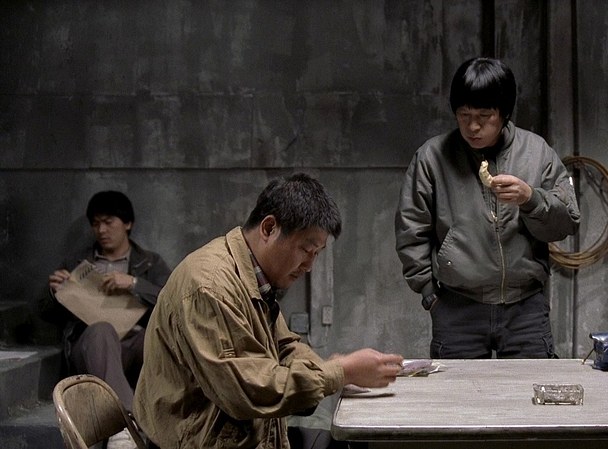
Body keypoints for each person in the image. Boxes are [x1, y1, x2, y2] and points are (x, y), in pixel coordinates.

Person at [134, 173, 403, 449]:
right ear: (269, 228)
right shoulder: (210, 286)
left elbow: (285, 346)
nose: (309, 266)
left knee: (351, 442)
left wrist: (332, 369)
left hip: (237, 433)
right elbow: (247, 391)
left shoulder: (252, 275)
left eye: (317, 253)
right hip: (201, 441)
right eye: (306, 249)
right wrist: (338, 373)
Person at [394, 57, 580, 359]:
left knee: (531, 389)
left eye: (484, 116)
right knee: (459, 391)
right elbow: (410, 230)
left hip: (525, 308)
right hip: (457, 307)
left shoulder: (536, 153)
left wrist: (531, 198)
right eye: (464, 115)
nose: (473, 126)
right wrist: (429, 294)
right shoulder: (432, 157)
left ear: (504, 114)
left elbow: (567, 222)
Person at [45, 190, 171, 448]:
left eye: (108, 222)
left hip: (133, 346)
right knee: (102, 329)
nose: (101, 230)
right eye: (96, 223)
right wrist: (55, 292)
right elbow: (46, 313)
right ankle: (126, 425)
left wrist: (134, 283)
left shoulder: (149, 262)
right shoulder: (77, 261)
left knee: (154, 336)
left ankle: (165, 414)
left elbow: (172, 301)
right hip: (94, 346)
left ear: (127, 223)